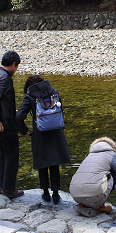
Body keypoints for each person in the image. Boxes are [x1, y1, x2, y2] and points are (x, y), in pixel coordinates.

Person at [16, 75, 71, 204]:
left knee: (43, 164)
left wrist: (24, 130)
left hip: (40, 133)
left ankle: (46, 193)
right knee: (54, 164)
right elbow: (61, 109)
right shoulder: (54, 92)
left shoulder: (30, 96)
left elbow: (19, 117)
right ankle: (56, 194)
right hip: (56, 132)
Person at [0, 50, 23, 199]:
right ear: (13, 64)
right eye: (17, 66)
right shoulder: (4, 79)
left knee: (2, 155)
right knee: (12, 156)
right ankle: (9, 188)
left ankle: (2, 186)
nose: (16, 70)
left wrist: (9, 109)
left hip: (0, 121)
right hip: (4, 125)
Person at [69, 137, 116, 217]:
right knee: (114, 174)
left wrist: (115, 187)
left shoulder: (90, 155)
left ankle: (83, 206)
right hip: (94, 195)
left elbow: (94, 178)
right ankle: (100, 207)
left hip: (75, 195)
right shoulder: (112, 154)